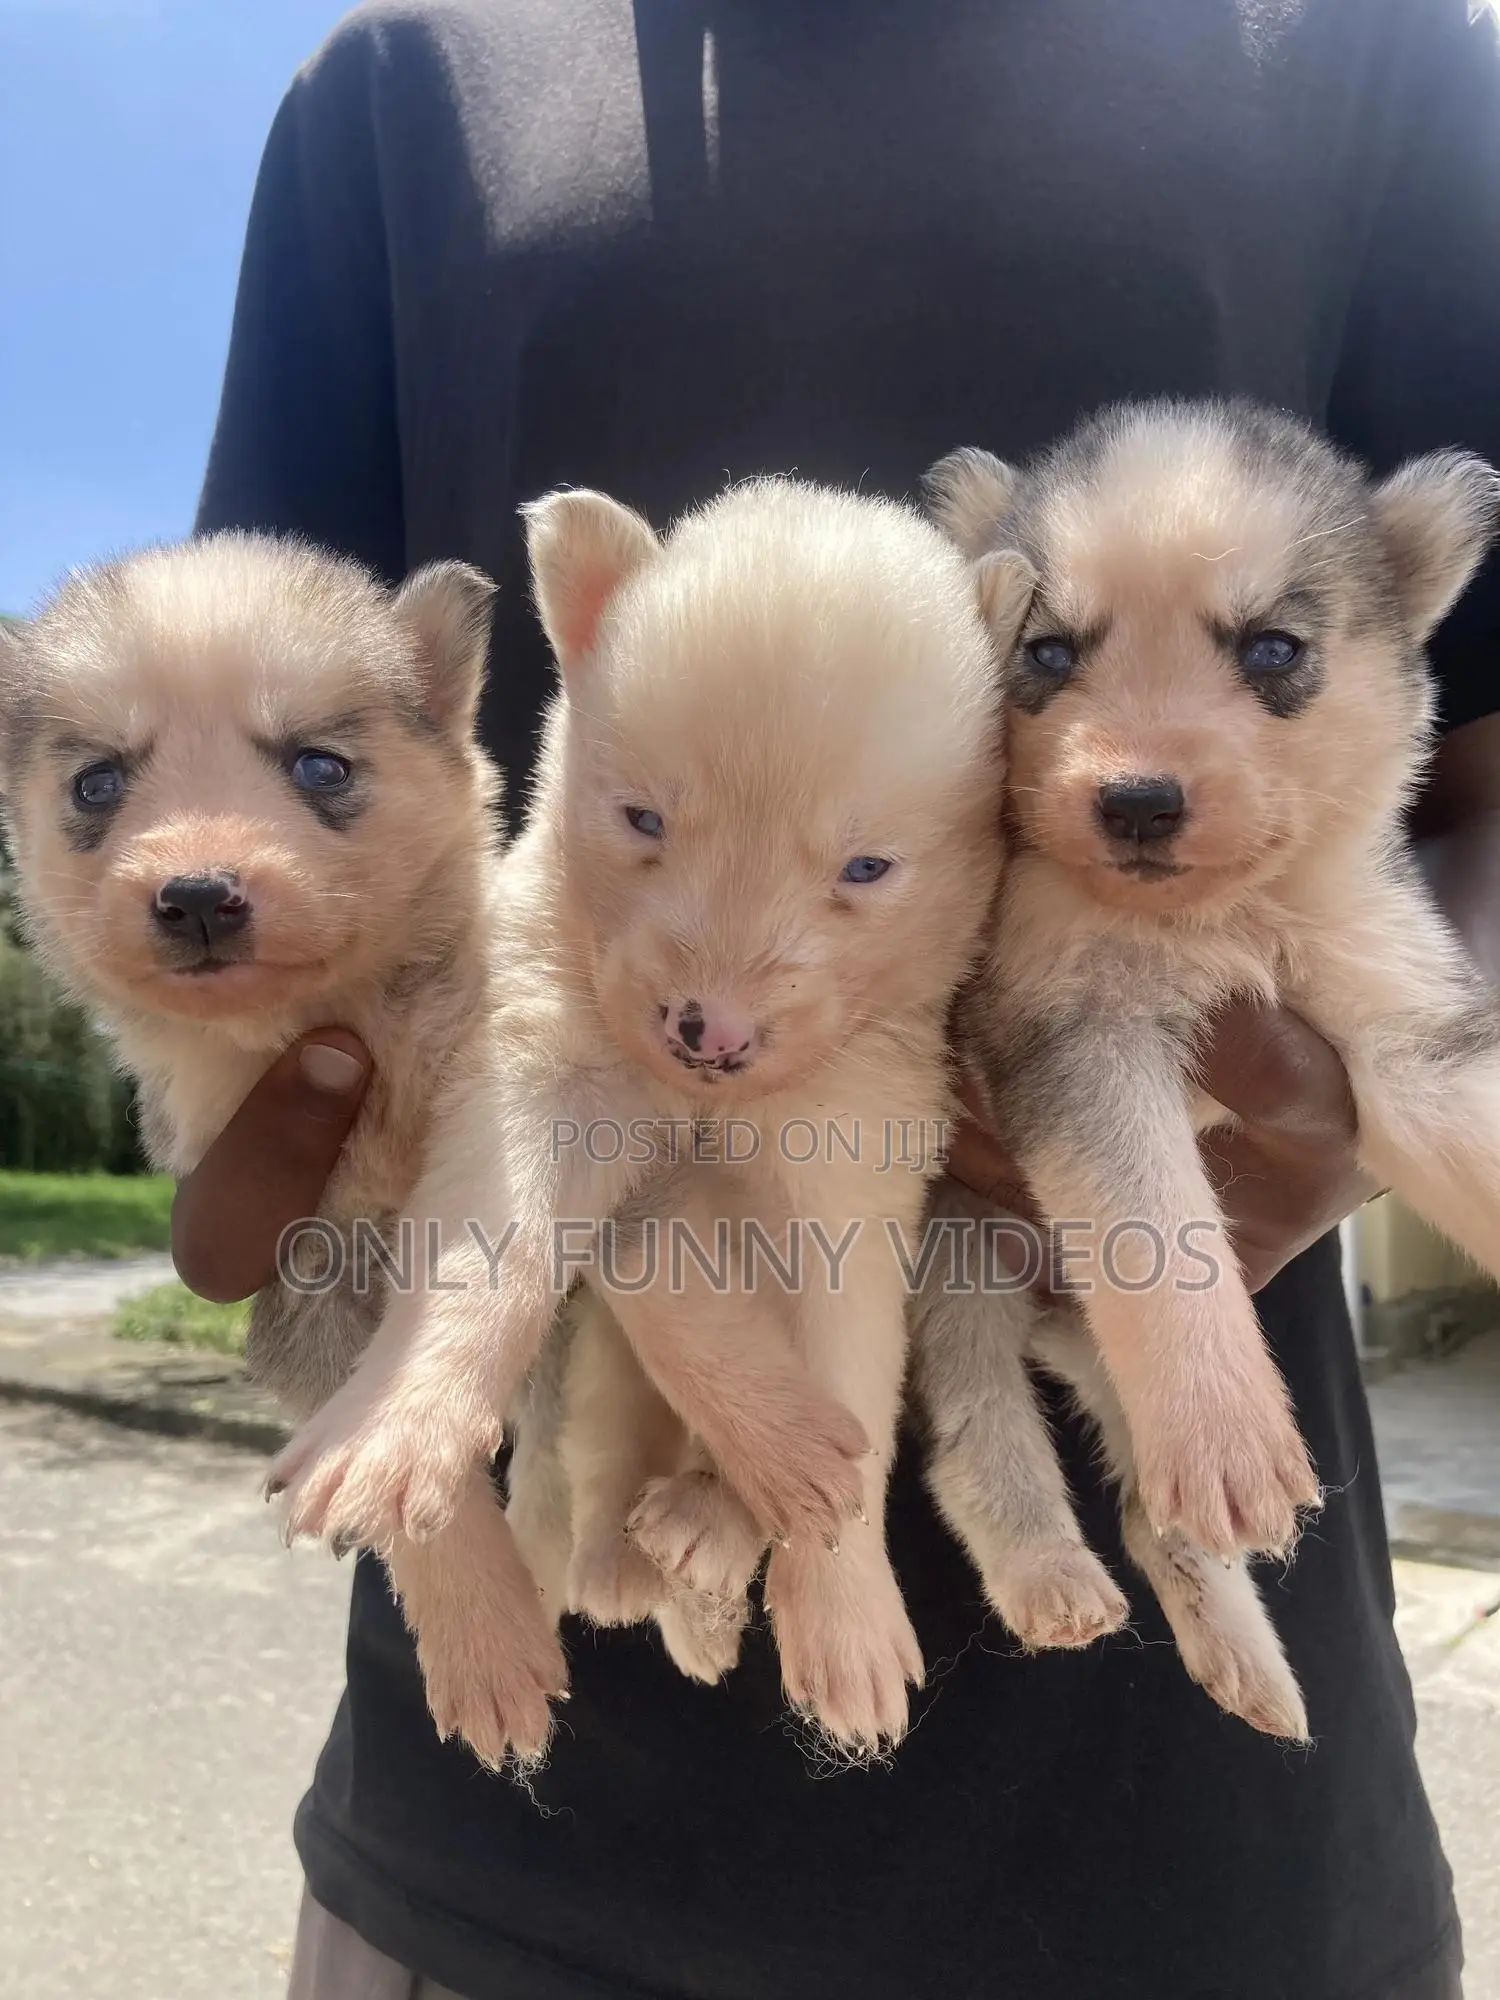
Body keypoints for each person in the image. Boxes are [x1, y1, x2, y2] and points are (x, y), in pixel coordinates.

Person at [180, 2, 1500, 1993]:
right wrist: (260, 1109)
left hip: (1201, 1856)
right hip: (502, 1855)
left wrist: (1333, 1097)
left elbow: (1473, 794)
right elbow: (284, 818)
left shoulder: (1361, 52)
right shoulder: (405, 90)